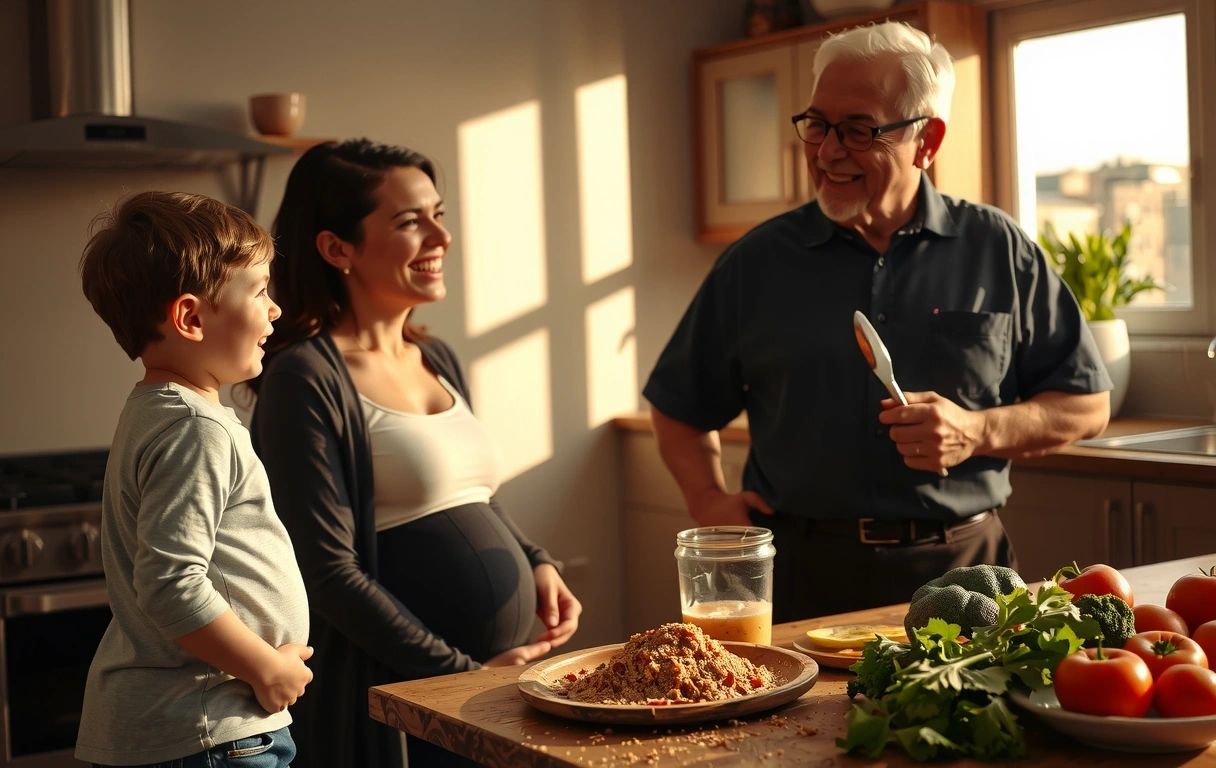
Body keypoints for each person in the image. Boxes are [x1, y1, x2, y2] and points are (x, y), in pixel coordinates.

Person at [643, 21, 1112, 624]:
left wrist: (976, 429)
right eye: (817, 124)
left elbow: (1087, 405)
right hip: (802, 578)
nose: (828, 151)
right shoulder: (755, 263)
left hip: (965, 576)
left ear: (927, 140)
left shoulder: (998, 247)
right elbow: (677, 406)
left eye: (859, 130)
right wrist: (708, 499)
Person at [247, 139, 582, 768]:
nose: (441, 237)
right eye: (409, 221)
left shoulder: (438, 358)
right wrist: (461, 678)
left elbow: (473, 495)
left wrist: (537, 561)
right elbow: (329, 573)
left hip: (479, 691)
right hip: (407, 706)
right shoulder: (305, 377)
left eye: (439, 213)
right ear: (336, 248)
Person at [74, 192, 313, 767]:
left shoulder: (158, 410)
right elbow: (171, 583)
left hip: (193, 727)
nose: (275, 308)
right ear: (189, 317)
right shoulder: (194, 427)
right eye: (258, 290)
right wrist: (267, 669)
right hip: (209, 728)